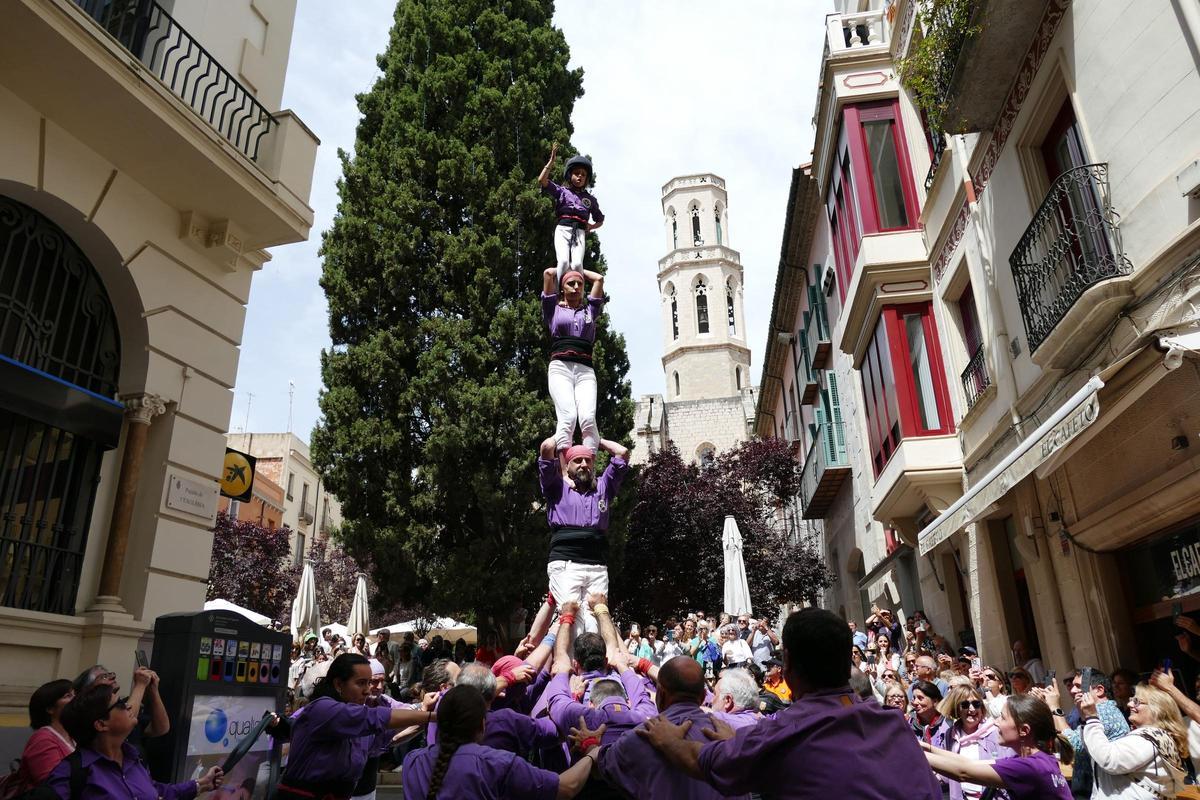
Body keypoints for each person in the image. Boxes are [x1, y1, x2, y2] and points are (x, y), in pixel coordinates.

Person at [638, 607, 942, 799]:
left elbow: (699, 761)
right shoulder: (892, 722)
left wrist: (667, 740)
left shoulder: (785, 732)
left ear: (788, 666)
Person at [587, 656, 750, 799]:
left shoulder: (641, 736)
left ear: (661, 694)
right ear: (701, 698)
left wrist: (590, 744)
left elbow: (598, 767)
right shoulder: (730, 739)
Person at [275, 653, 434, 799]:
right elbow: (376, 718)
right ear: (338, 684)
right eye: (361, 683)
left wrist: (425, 713)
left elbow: (385, 734)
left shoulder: (361, 722)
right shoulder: (323, 709)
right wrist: (431, 715)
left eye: (369, 683)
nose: (367, 690)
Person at [401, 684, 598, 799]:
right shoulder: (498, 764)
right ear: (482, 724)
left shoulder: (412, 762)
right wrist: (592, 754)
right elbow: (568, 787)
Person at [49, 683, 223, 798]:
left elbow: (156, 791)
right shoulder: (70, 772)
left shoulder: (134, 757)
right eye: (120, 704)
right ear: (101, 724)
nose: (128, 706)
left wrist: (201, 784)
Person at [537, 436, 630, 635]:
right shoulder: (556, 487)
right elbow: (546, 448)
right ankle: (567, 663)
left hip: (596, 563)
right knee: (572, 617)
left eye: (588, 460)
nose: (584, 464)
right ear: (567, 467)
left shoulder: (604, 487)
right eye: (577, 460)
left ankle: (591, 664)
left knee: (596, 619)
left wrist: (596, 439)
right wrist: (562, 433)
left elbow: (621, 452)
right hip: (566, 562)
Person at [924, 693, 1073, 800]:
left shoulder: (1029, 767)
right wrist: (924, 747)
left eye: (1002, 717)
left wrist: (911, 751)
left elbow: (963, 772)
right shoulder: (1036, 759)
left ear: (1024, 730)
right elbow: (967, 763)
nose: (995, 722)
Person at [1077, 681, 1186, 798]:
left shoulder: (1150, 738)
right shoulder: (1154, 737)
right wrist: (1086, 719)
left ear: (1157, 709)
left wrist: (1092, 718)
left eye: (1137, 701)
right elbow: (1096, 754)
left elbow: (1109, 760)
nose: (1129, 704)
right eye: (1131, 700)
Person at [543, 265, 606, 457]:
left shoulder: (590, 311)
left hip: (585, 369)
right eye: (571, 283)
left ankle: (589, 466)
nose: (576, 286)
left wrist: (578, 268)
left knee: (587, 418)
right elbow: (548, 274)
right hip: (561, 367)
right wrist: (565, 267)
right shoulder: (552, 310)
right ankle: (564, 470)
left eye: (579, 284)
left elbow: (599, 279)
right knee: (568, 417)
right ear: (562, 288)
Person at [1039, 667, 1130, 799]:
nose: (1072, 690)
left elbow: (1072, 744)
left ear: (1099, 690)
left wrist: (1054, 707)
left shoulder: (1104, 711)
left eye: (1078, 686)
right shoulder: (1095, 711)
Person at [537, 143, 604, 282]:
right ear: (570, 175)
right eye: (577, 173)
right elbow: (542, 180)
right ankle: (559, 294)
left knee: (577, 264)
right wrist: (551, 161)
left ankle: (578, 297)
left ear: (586, 179)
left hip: (579, 232)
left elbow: (600, 219)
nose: (580, 176)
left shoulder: (589, 199)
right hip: (563, 229)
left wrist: (591, 226)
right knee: (563, 262)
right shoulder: (562, 191)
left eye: (583, 175)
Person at [935, 684, 1013, 800]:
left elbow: (1008, 770)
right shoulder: (950, 735)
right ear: (957, 709)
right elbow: (949, 772)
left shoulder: (996, 732)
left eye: (976, 704)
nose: (971, 709)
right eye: (965, 705)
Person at [10, 679, 75, 791]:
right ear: (50, 709)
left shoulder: (74, 736)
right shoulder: (43, 740)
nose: (76, 699)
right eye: (68, 696)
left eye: (75, 695)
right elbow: (53, 789)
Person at [909, 680, 946, 744]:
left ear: (935, 701)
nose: (915, 702)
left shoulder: (947, 725)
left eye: (920, 698)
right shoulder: (908, 723)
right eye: (914, 698)